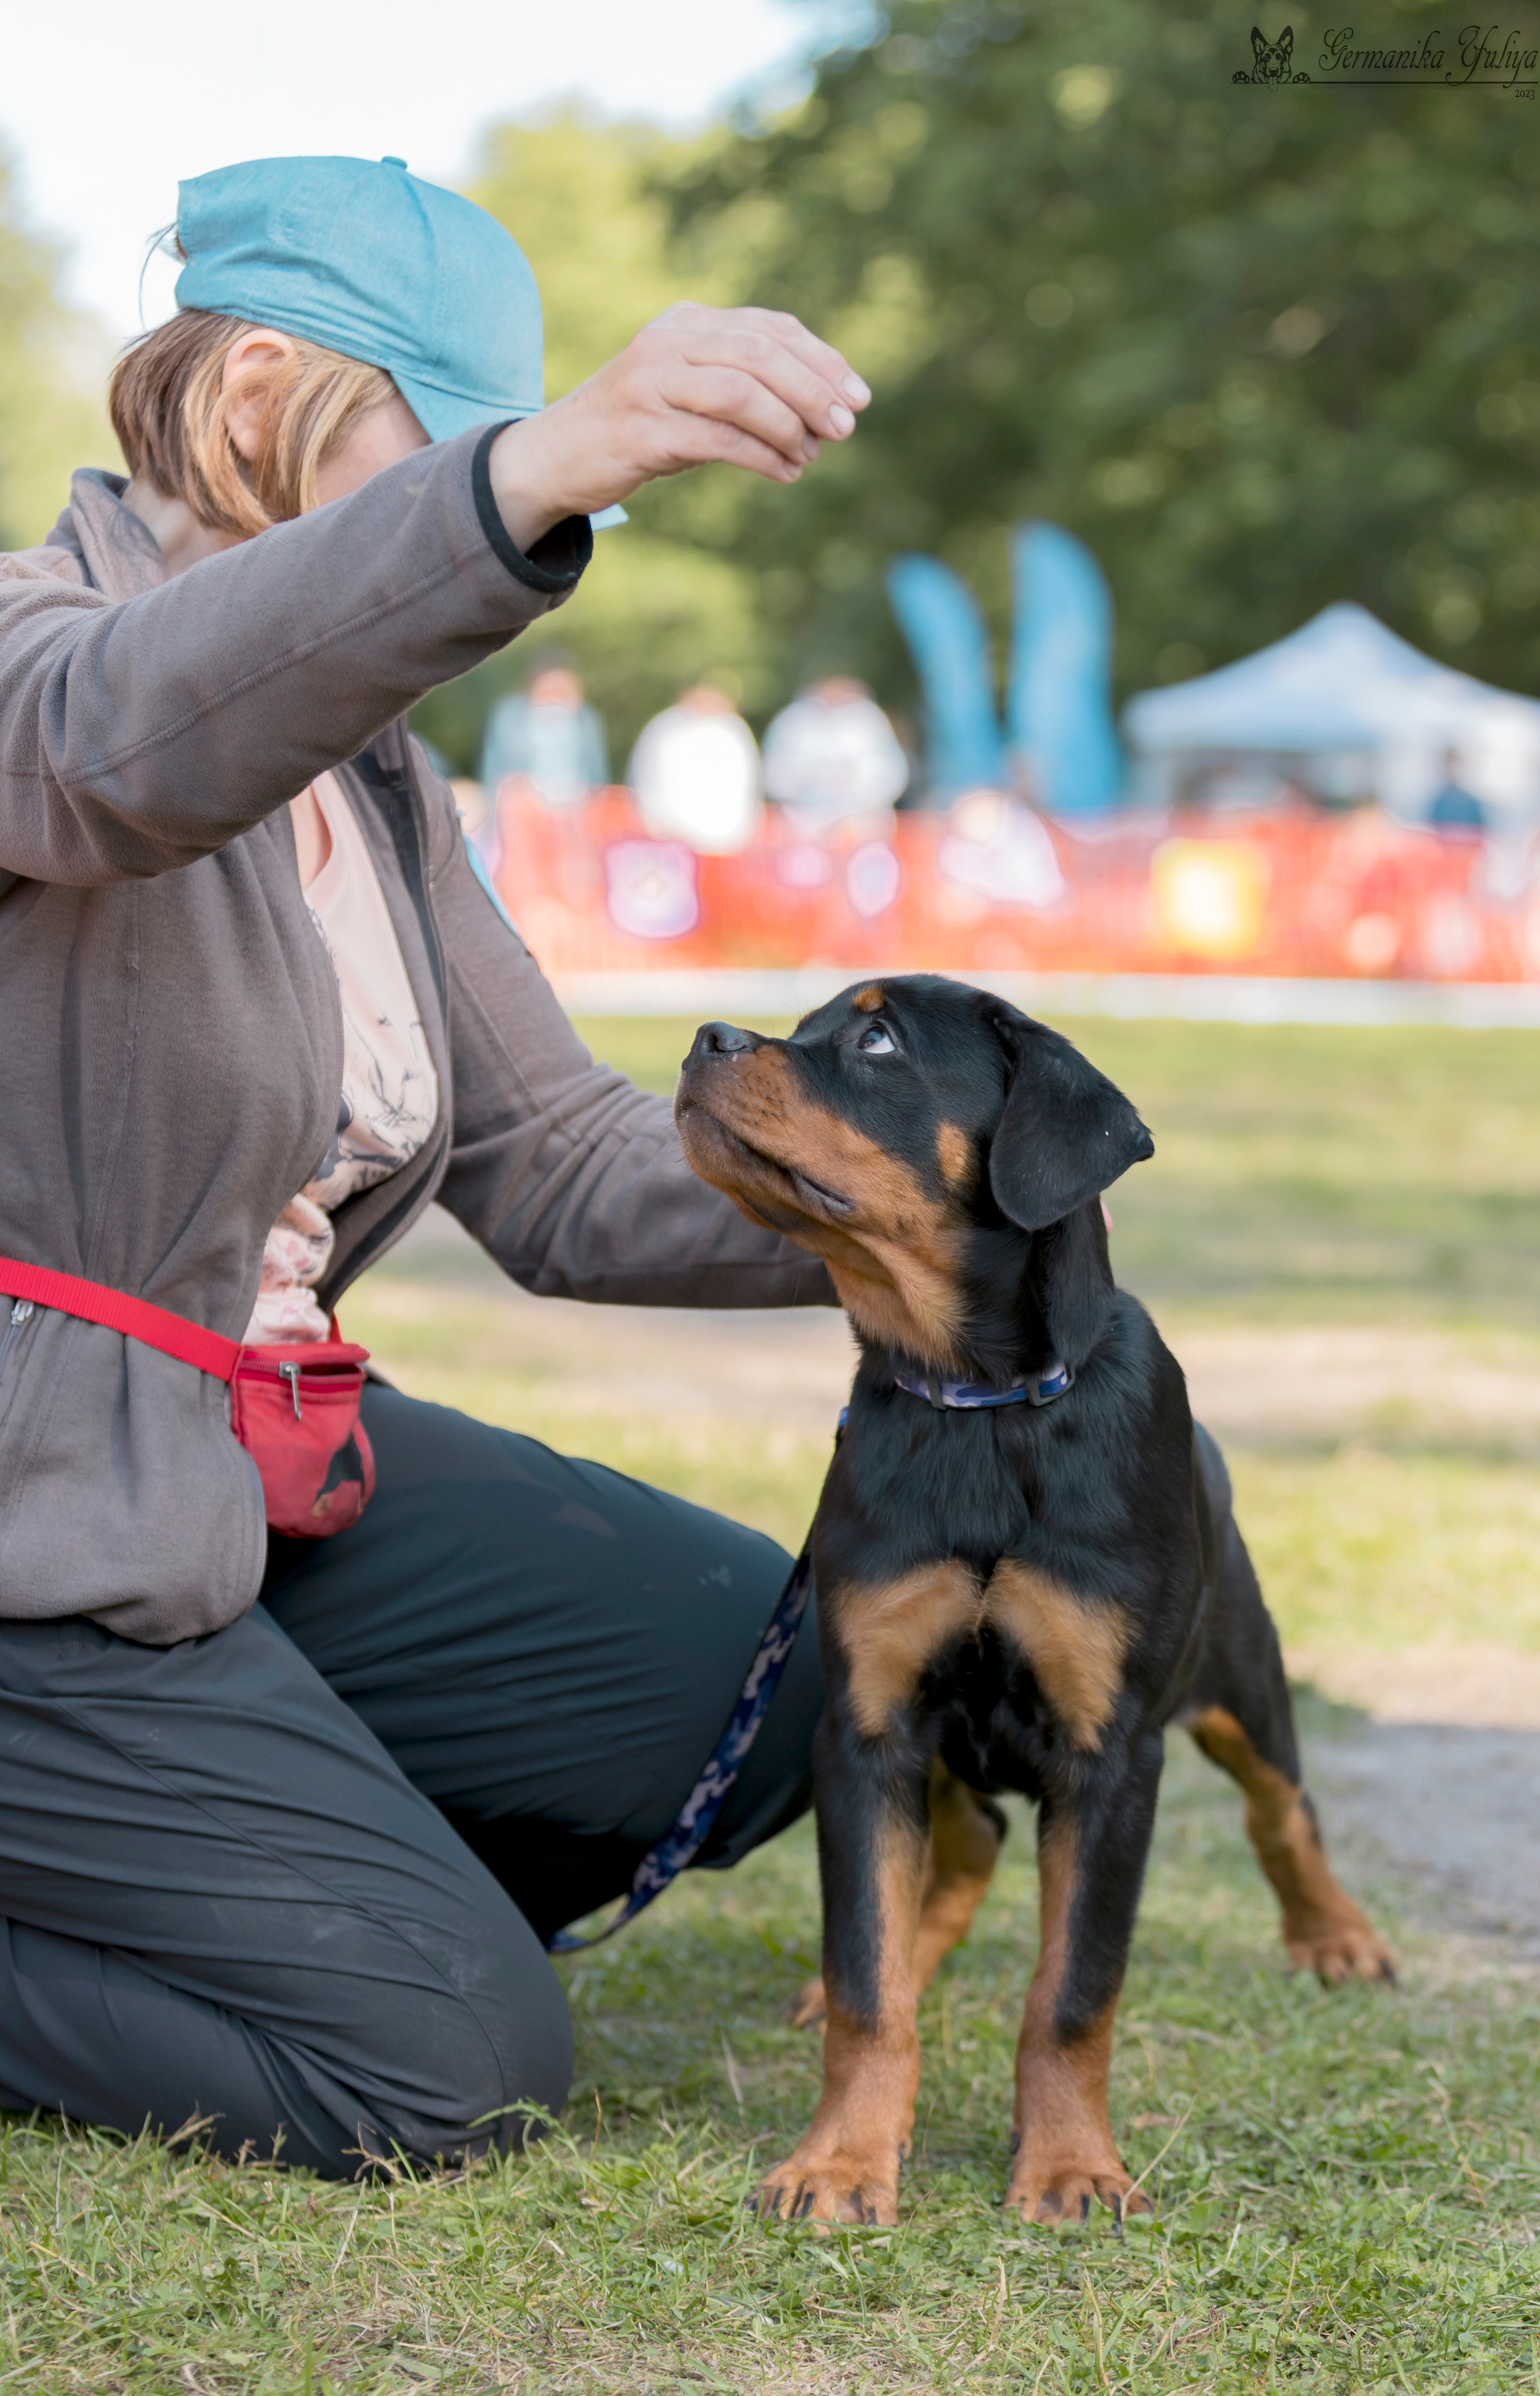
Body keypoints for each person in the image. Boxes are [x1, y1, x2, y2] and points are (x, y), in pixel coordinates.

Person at [0, 153, 871, 2178]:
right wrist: (527, 476)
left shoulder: (378, 773)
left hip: (224, 1477)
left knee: (767, 1669)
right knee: (449, 2061)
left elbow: (558, 1162)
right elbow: (117, 744)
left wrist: (912, 1197)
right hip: (41, 1525)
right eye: (459, 456)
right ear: (251, 399)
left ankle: (251, 1839)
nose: (528, 523)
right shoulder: (43, 653)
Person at [762, 674, 910, 837]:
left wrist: (856, 783)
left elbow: (891, 773)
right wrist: (810, 779)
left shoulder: (869, 720)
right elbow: (774, 774)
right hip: (803, 824)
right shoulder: (794, 721)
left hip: (861, 824)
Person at [629, 681, 763, 854]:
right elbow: (648, 775)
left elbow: (748, 781)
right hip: (670, 836)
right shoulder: (668, 726)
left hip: (724, 839)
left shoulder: (732, 729)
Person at [479, 655, 610, 813]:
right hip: (525, 811)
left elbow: (596, 772)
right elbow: (497, 770)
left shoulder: (586, 718)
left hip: (576, 810)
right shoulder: (510, 715)